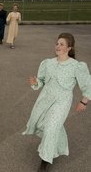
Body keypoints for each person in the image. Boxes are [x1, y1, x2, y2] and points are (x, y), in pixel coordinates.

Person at [23, 33, 91, 172]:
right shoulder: (47, 63)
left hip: (62, 101)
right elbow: (41, 81)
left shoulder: (76, 66)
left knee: (50, 127)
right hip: (45, 98)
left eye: (62, 44)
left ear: (69, 48)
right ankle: (58, 144)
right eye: (57, 43)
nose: (58, 46)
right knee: (43, 123)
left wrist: (84, 102)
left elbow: (87, 85)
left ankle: (45, 159)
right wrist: (35, 82)